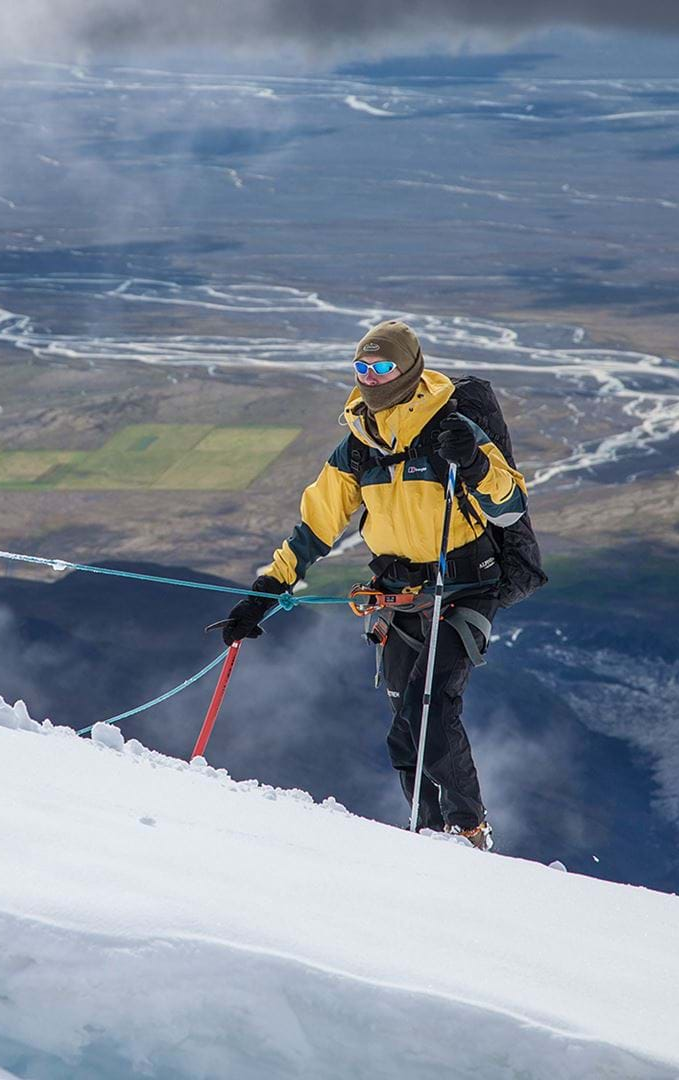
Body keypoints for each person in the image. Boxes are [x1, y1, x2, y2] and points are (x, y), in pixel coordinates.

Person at [216, 320, 528, 851]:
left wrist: (473, 463)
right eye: (361, 368)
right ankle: (426, 833)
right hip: (400, 592)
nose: (371, 378)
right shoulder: (358, 447)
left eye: (381, 367)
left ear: (408, 368)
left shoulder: (451, 428)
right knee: (403, 727)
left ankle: (468, 828)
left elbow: (509, 506)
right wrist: (265, 593)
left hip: (466, 587)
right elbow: (314, 528)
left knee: (428, 710)